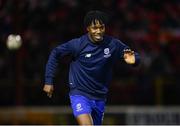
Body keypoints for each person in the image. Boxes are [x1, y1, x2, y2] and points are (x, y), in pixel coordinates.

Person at [43, 10, 140, 125]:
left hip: (100, 97)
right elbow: (55, 53)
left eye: (101, 27)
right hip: (79, 94)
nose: (98, 31)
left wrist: (134, 60)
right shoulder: (78, 44)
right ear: (87, 28)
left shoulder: (113, 44)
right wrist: (49, 80)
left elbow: (132, 54)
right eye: (95, 28)